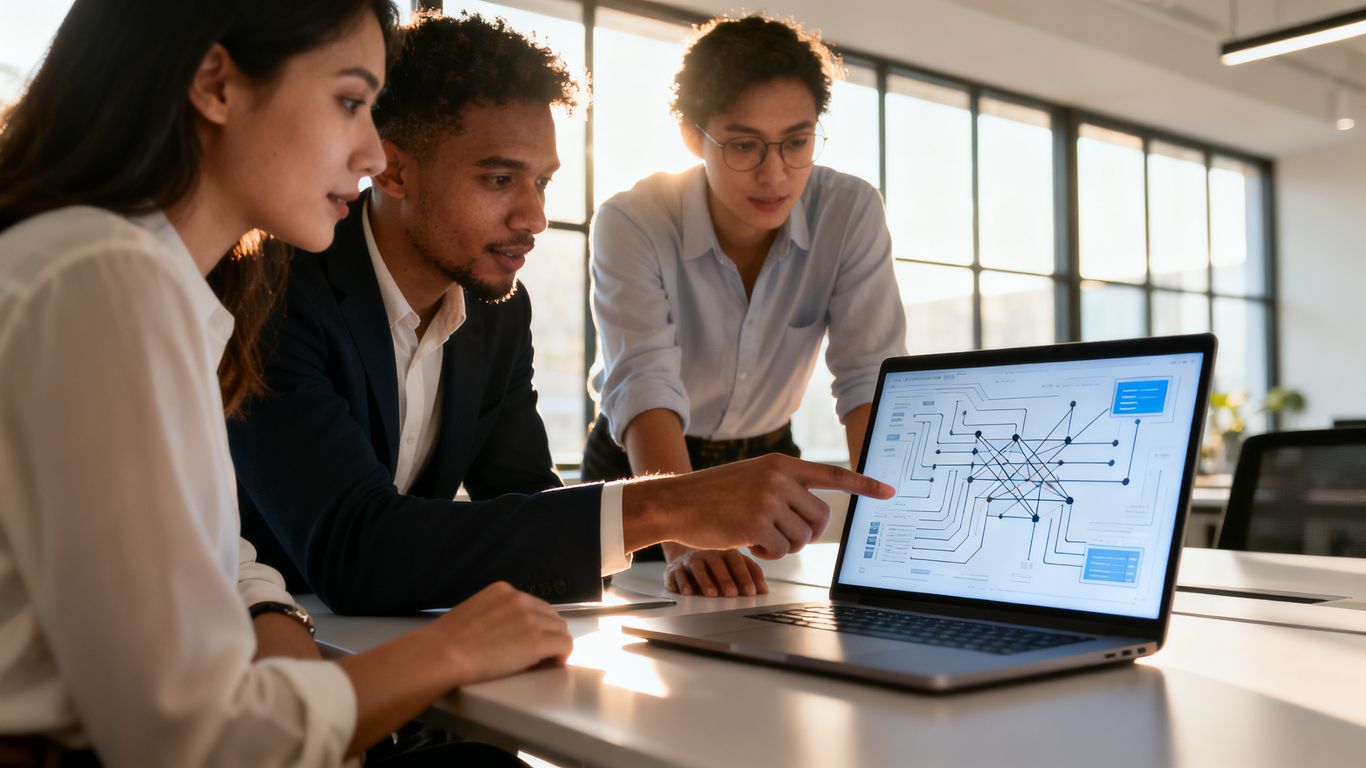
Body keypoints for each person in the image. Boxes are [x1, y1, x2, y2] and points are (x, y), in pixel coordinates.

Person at [0, 2, 572, 765]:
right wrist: (454, 649)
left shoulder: (129, 273)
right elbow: (192, 740)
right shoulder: (103, 278)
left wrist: (269, 609)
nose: (372, 153)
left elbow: (196, 543)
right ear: (216, 85)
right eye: (350, 102)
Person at [226, 12, 896, 616]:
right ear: (394, 172)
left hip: (386, 632)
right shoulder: (273, 291)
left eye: (542, 182)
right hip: (264, 630)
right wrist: (670, 506)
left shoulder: (495, 308)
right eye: (499, 179)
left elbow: (523, 497)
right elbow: (352, 551)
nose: (536, 218)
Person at [583, 15, 909, 599]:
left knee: (771, 623)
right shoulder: (632, 220)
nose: (774, 174)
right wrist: (682, 533)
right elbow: (643, 384)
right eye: (742, 145)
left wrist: (892, 537)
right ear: (693, 136)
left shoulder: (849, 210)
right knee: (631, 626)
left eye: (796, 142)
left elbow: (869, 378)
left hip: (766, 459)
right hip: (644, 464)